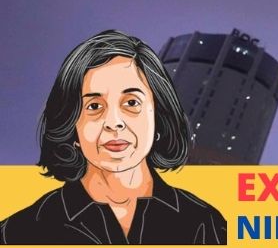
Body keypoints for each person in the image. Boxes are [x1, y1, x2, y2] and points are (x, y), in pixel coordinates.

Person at [1, 30, 226, 245]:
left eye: (131, 103)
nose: (114, 122)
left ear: (159, 116)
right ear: (70, 125)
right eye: (94, 105)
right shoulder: (20, 232)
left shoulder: (206, 225)